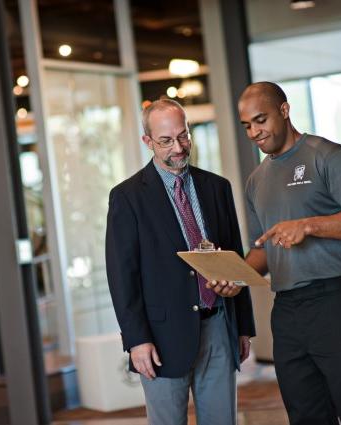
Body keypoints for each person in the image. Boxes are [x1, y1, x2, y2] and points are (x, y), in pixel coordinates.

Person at [237, 81, 341, 425]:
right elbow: (262, 250)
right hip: (288, 310)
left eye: (260, 120)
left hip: (337, 302)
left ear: (284, 109)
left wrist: (308, 225)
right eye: (247, 125)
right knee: (305, 415)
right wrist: (235, 276)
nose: (254, 132)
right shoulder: (255, 181)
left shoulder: (329, 156)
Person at [105, 99, 255, 425]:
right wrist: (136, 340)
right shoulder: (127, 197)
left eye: (183, 136)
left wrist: (242, 326)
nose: (178, 147)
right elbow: (122, 276)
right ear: (147, 141)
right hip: (161, 337)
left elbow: (235, 258)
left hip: (218, 325)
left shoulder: (217, 188)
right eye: (166, 140)